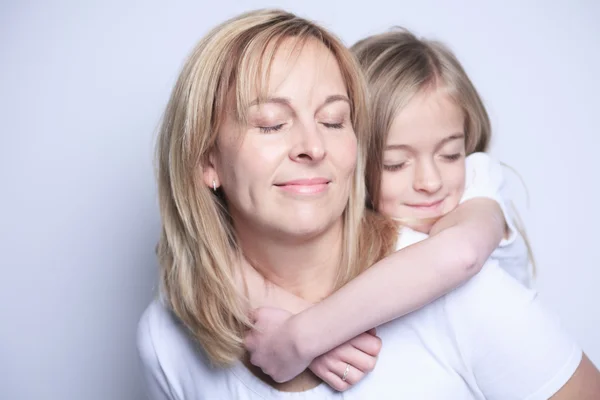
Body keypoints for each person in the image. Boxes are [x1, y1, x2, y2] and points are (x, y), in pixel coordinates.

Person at [137, 9, 600, 399]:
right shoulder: (165, 336)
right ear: (206, 161)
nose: (312, 145)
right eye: (273, 123)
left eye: (334, 121)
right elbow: (191, 263)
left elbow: (458, 255)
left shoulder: (463, 290)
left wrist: (305, 335)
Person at [243, 29, 538, 386]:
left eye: (449, 154)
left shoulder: (478, 188)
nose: (430, 181)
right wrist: (303, 328)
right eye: (396, 163)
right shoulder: (344, 227)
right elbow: (208, 259)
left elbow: (459, 255)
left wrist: (303, 336)